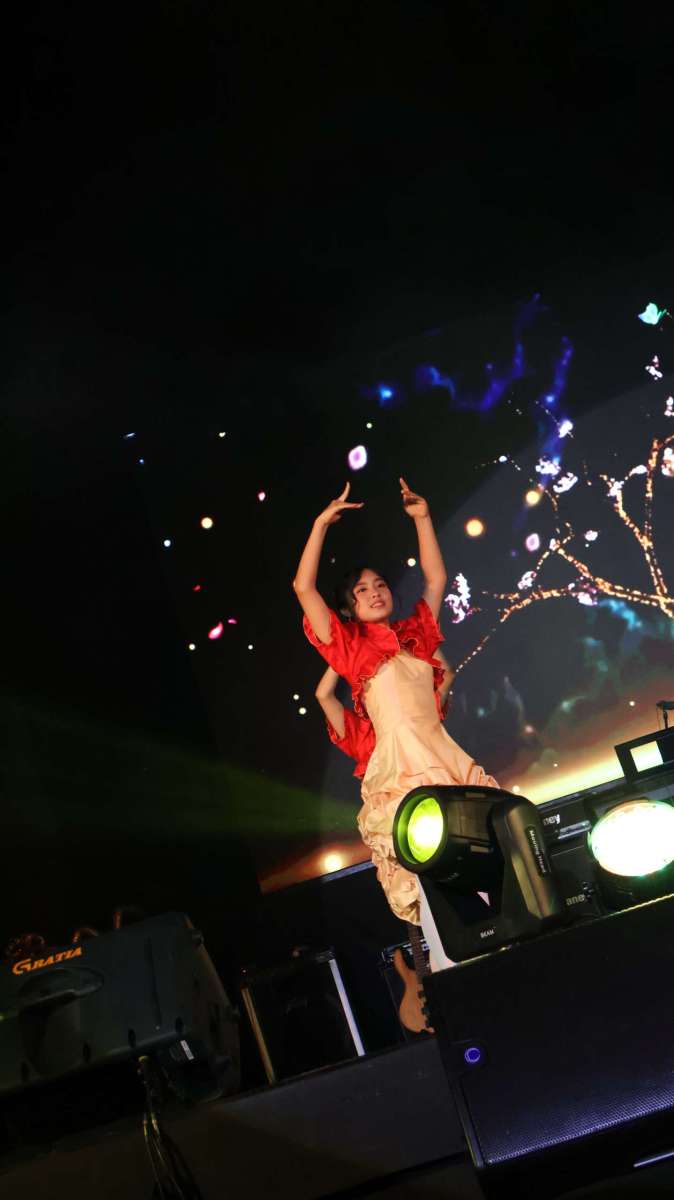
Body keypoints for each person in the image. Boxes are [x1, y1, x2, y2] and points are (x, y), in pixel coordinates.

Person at [292, 478, 498, 966]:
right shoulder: (352, 648)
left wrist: (422, 519)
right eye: (362, 590)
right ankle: (455, 971)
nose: (375, 592)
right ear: (349, 608)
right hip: (400, 769)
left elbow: (435, 580)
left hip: (444, 757)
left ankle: (504, 955)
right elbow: (303, 588)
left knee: (485, 862)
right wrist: (321, 524)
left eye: (380, 584)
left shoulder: (416, 634)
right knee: (433, 879)